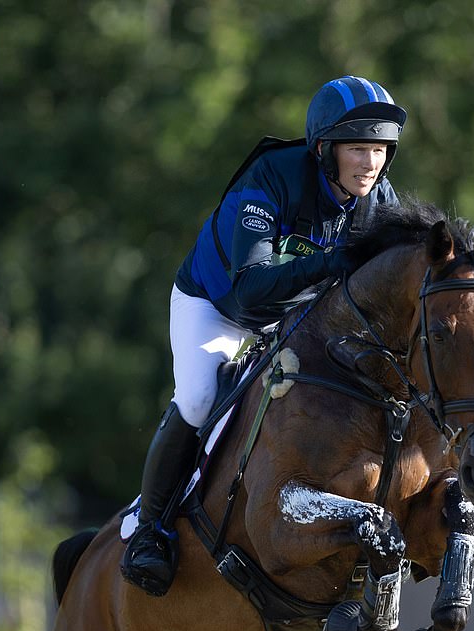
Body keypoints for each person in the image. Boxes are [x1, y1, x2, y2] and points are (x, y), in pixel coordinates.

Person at [121, 75, 407, 596]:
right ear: (324, 149)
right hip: (216, 306)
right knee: (200, 395)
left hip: (293, 316)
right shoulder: (271, 178)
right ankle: (150, 531)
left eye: (380, 149)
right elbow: (251, 290)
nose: (370, 163)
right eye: (358, 148)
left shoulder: (377, 198)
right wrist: (333, 262)